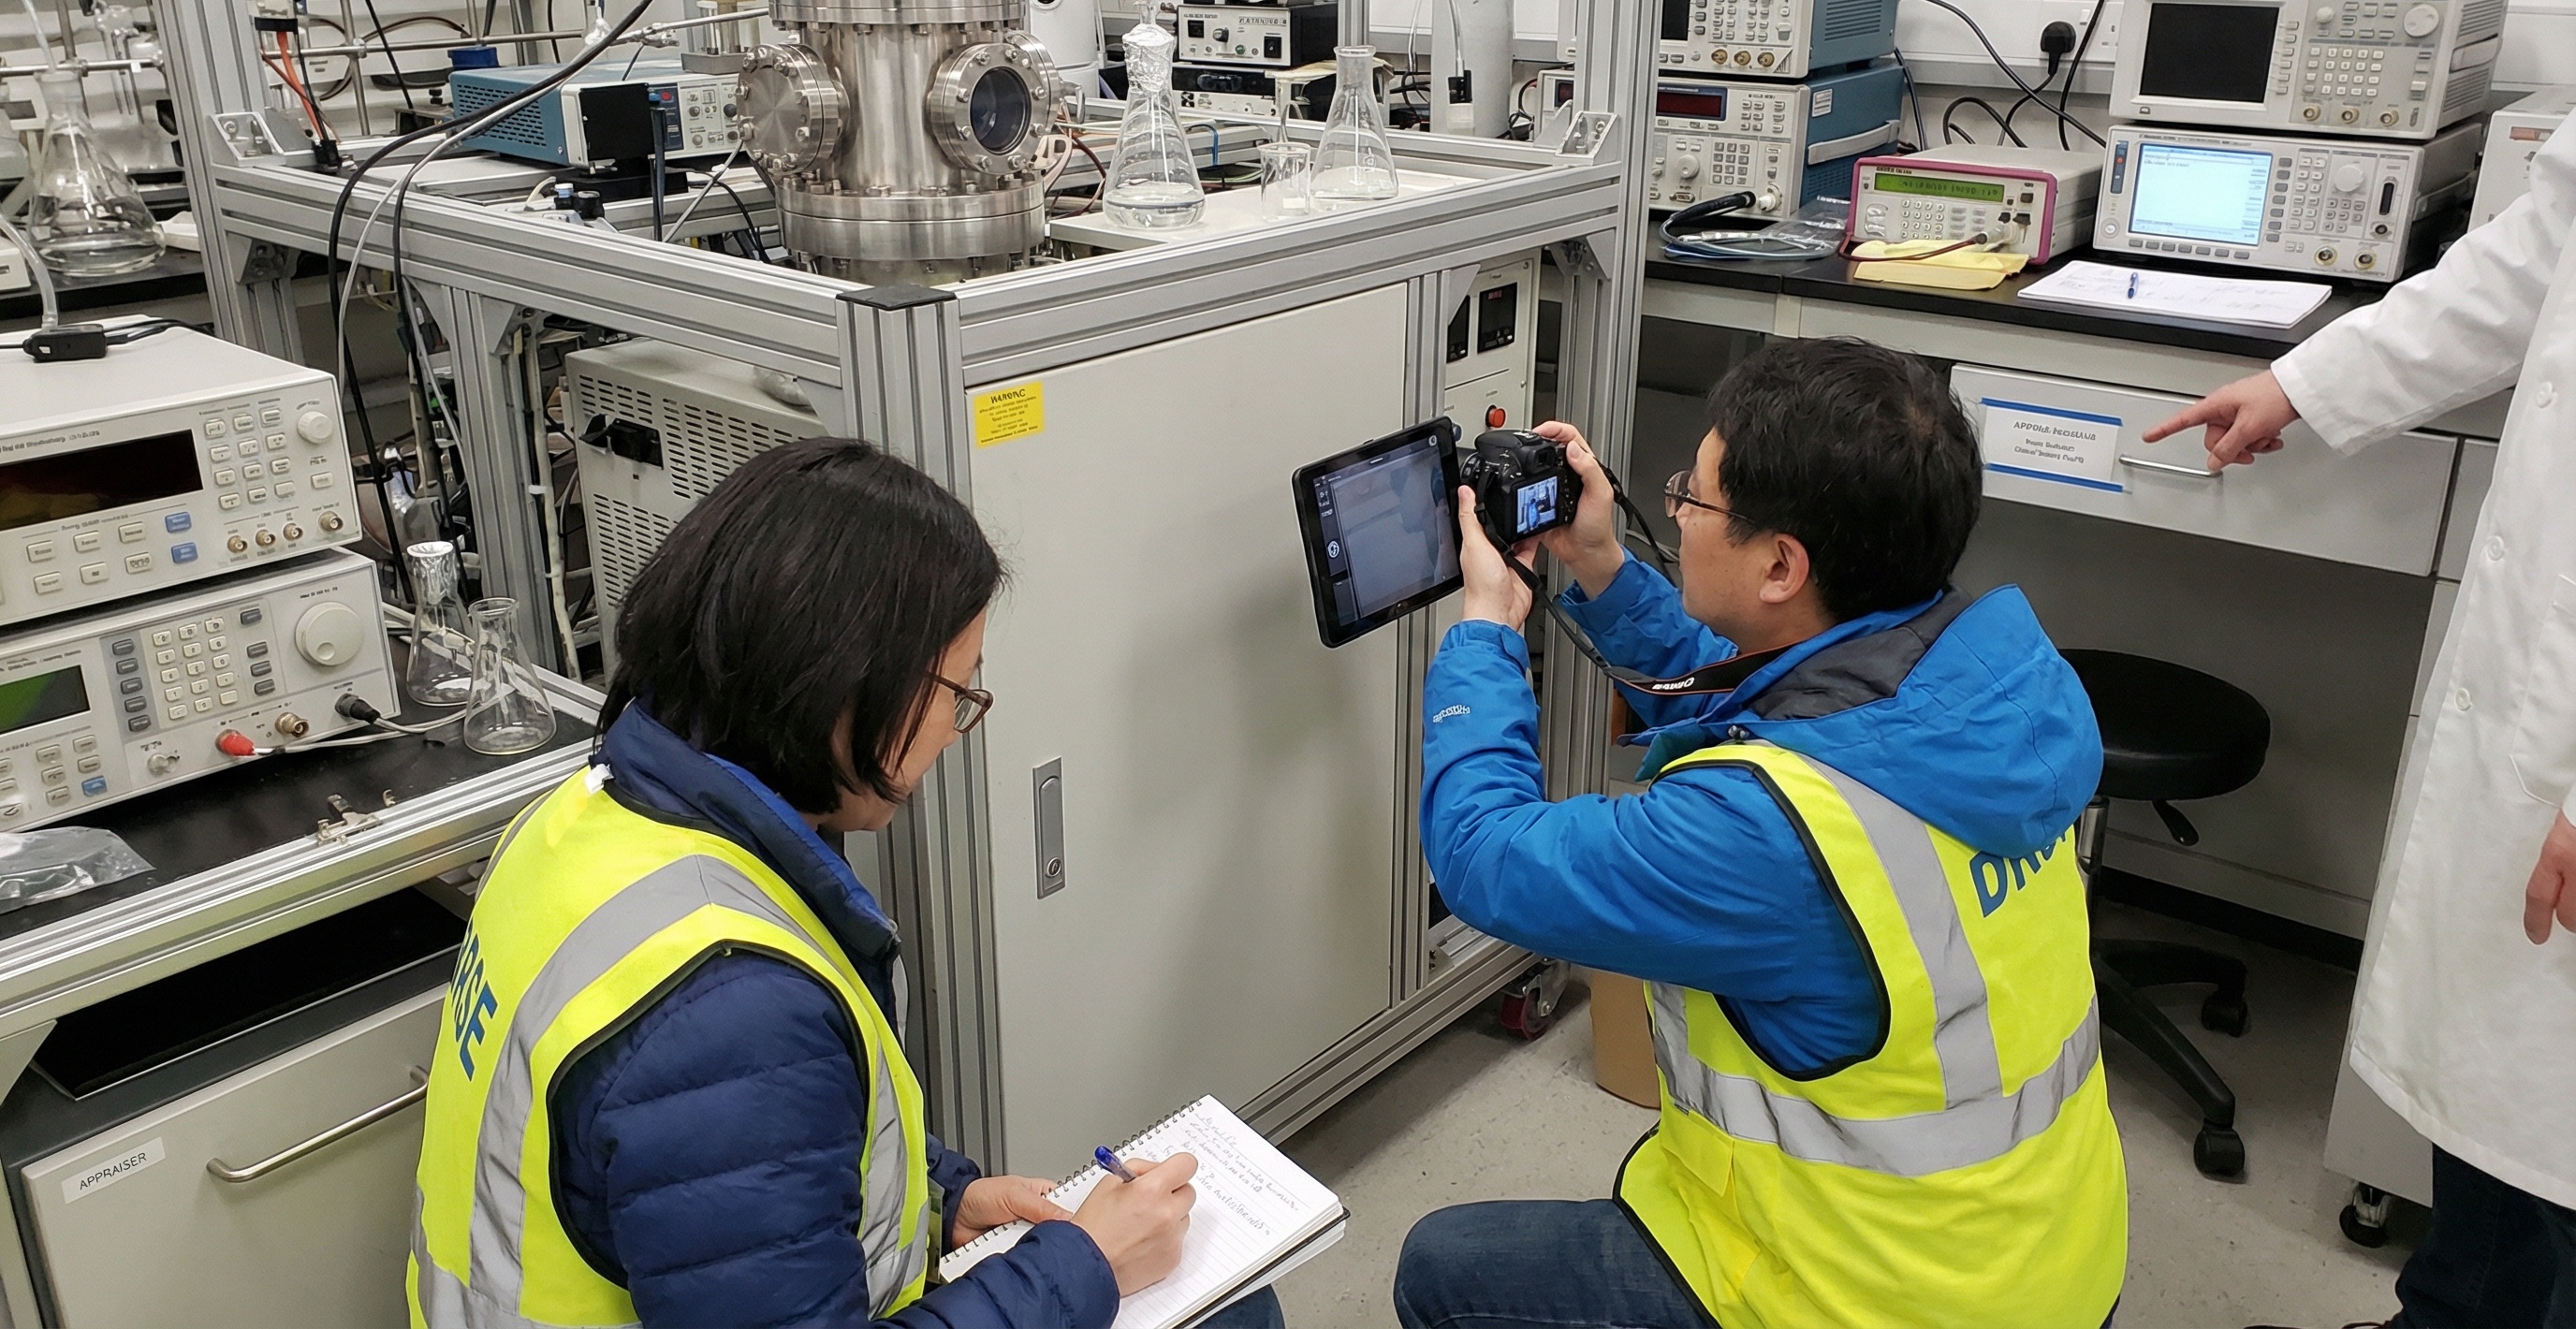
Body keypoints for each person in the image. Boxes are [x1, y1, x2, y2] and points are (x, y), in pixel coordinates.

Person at [406, 438, 1283, 1329]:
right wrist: (1084, 1267)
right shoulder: (733, 1013)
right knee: (1234, 1314)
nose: (955, 729)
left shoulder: (579, 821)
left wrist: (943, 1200)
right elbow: (731, 1117)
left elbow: (718, 1176)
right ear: (840, 686)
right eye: (956, 693)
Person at [1392, 338, 2128, 1329]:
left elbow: (1485, 857)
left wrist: (1484, 633)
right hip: (2044, 1263)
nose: (1675, 513)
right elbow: (1776, 690)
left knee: (1443, 1270)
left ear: (1781, 563)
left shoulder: (1771, 829)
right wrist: (1601, 565)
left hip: (1869, 1303)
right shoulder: (2001, 686)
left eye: (1691, 498)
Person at [2146, 119, 2576, 1326]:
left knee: (2552, 1108)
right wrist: (2306, 381)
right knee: (2495, 1058)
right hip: (2539, 683)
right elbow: (2531, 257)